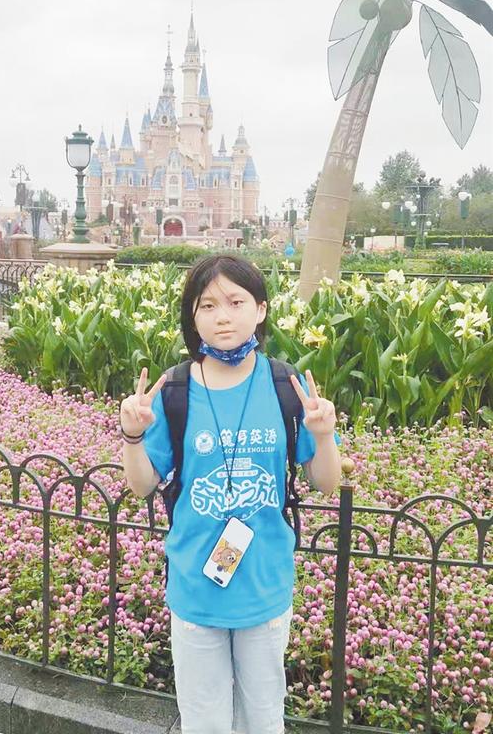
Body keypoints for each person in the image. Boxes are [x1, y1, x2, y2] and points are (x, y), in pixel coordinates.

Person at [120, 254, 341, 734]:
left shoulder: (286, 386)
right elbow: (141, 485)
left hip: (264, 583)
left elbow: (326, 482)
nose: (223, 316)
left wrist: (323, 436)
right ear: (193, 316)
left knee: (263, 718)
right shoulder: (174, 390)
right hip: (195, 586)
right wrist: (132, 435)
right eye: (208, 305)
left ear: (260, 310)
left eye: (236, 302)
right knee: (204, 722)